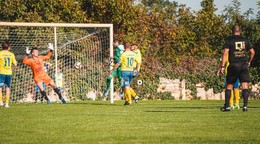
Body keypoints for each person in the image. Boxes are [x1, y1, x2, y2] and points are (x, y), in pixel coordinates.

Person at [220, 25, 255, 112]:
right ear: (240, 31)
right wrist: (249, 61)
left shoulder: (229, 40)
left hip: (233, 65)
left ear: (232, 31)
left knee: (229, 85)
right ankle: (245, 106)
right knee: (245, 85)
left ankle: (227, 106)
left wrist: (222, 66)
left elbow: (225, 53)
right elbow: (252, 52)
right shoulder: (245, 40)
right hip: (244, 65)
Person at [0, 41, 17, 108]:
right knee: (7, 88)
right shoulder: (11, 54)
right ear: (9, 48)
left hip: (1, 72)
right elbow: (15, 64)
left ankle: (0, 101)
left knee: (0, 87)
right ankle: (7, 104)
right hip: (9, 73)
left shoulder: (0, 53)